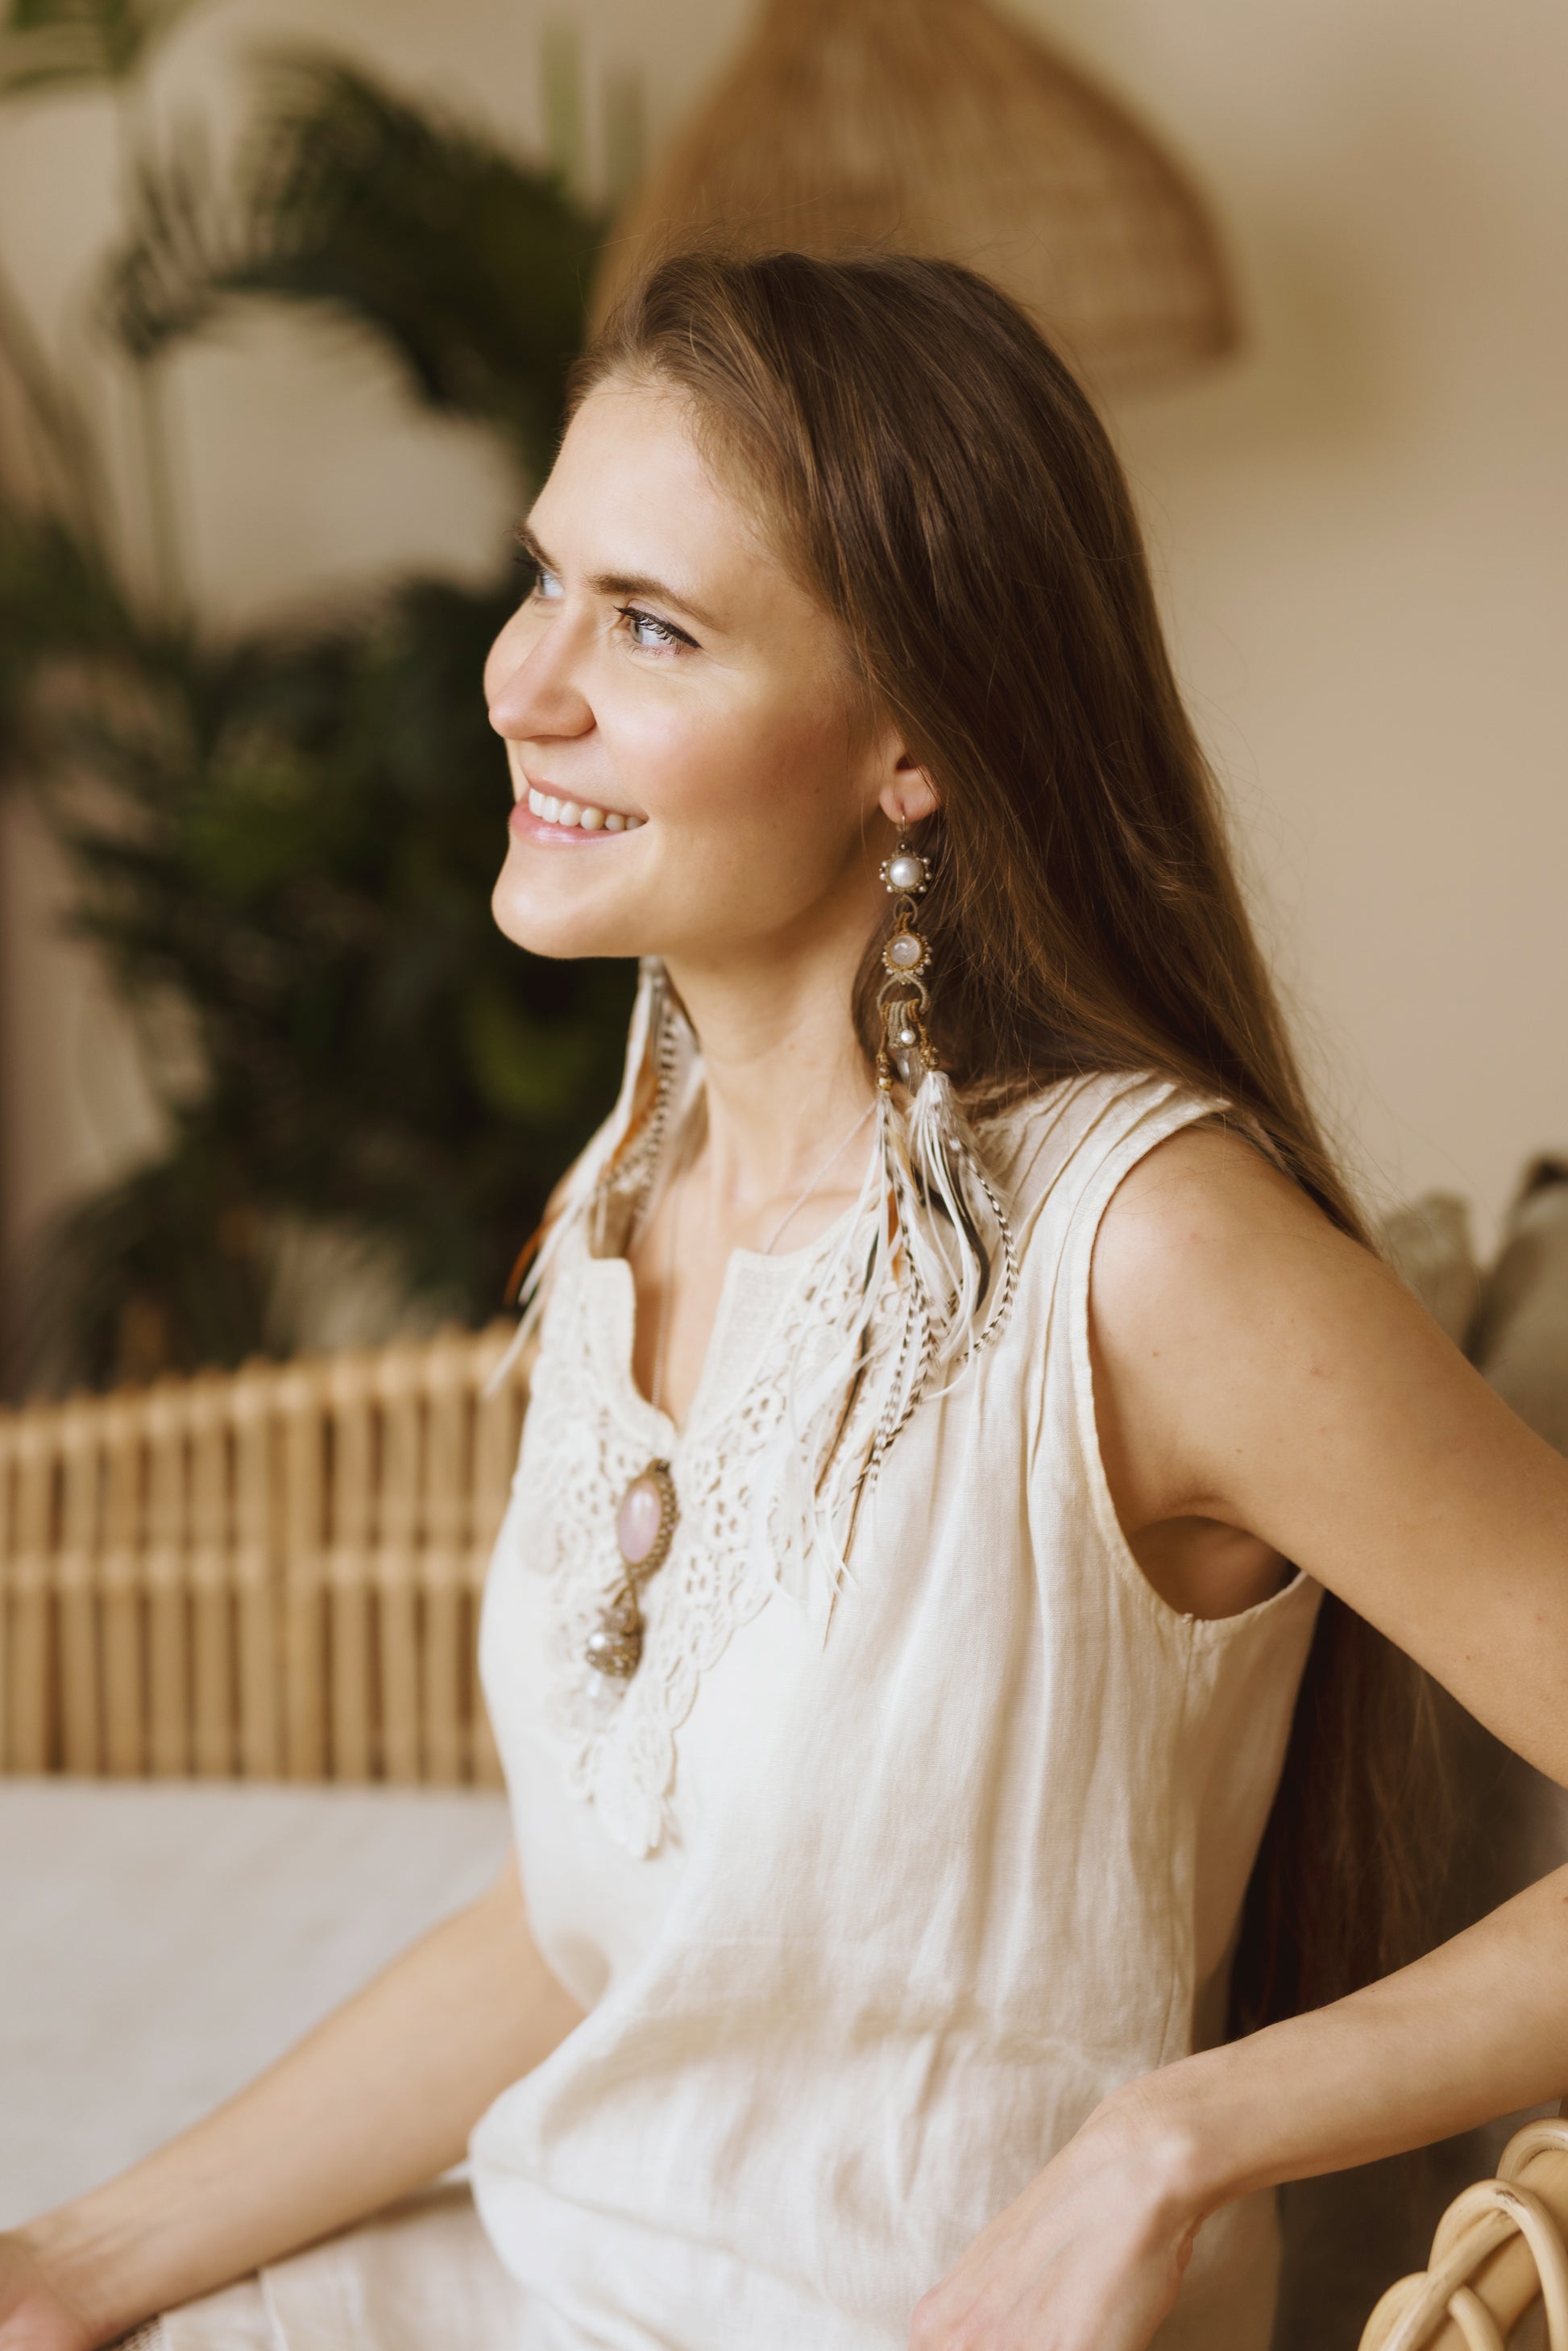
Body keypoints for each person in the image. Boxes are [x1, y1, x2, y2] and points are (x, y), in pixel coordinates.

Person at [5, 248, 1567, 2351]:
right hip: (546, 2270)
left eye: (649, 625)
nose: (521, 682)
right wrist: (76, 2266)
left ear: (908, 744)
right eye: (544, 577)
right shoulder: (620, 1197)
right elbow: (587, 1933)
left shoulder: (1147, 1256)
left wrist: (1171, 2140)